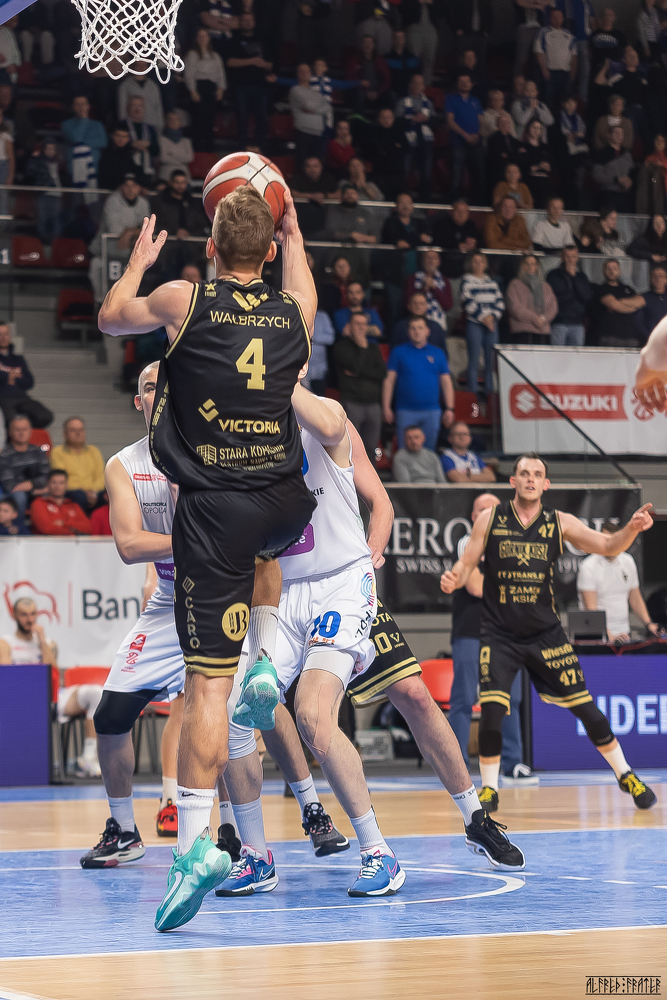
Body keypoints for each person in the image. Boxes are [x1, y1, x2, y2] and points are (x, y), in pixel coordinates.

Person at [98, 185, 319, 931]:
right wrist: (295, 239)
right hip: (284, 499)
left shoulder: (184, 299)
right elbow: (304, 290)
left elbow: (110, 316)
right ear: (271, 248)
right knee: (266, 552)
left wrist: (136, 263)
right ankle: (268, 659)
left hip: (214, 507)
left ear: (211, 247)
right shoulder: (293, 312)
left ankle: (195, 844)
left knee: (204, 690)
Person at [220, 399, 524, 897]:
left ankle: (465, 820)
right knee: (241, 710)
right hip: (284, 593)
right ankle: (257, 855)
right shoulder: (241, 439)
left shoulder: (322, 416)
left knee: (408, 695)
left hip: (344, 582)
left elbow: (380, 501)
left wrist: (372, 550)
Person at [80, 363, 347, 868]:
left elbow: (257, 539)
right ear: (138, 402)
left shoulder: (218, 448)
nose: (157, 393)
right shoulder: (124, 464)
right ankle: (124, 830)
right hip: (169, 598)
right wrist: (198, 538)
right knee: (110, 716)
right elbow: (129, 544)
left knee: (257, 702)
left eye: (165, 384)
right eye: (148, 388)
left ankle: (311, 809)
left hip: (227, 593)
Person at [441, 453, 657, 813]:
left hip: (546, 635)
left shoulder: (559, 522)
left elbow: (608, 546)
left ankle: (625, 774)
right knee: (492, 710)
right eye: (524, 473)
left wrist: (632, 528)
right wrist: (455, 578)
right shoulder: (490, 519)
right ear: (513, 481)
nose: (530, 478)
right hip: (500, 635)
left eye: (537, 474)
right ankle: (490, 788)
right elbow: (467, 563)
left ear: (545, 484)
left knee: (587, 709)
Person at [447, 493, 532, 783]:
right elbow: (475, 586)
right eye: (482, 509)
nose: (488, 514)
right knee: (463, 699)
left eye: (493, 509)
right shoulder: (466, 543)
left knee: (510, 700)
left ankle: (513, 762)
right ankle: (457, 765)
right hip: (471, 632)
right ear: (473, 517)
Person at [0, 597, 102, 777]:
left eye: (33, 614)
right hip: (21, 702)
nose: (30, 619)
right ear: (14, 615)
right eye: (24, 615)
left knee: (96, 693)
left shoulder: (48, 643)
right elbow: (7, 677)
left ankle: (87, 758)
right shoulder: (6, 643)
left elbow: (53, 672)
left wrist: (41, 641)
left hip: (50, 697)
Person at [578, 520, 660, 643]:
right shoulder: (588, 566)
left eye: (613, 539)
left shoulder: (628, 561)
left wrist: (649, 624)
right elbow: (591, 610)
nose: (610, 543)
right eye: (606, 539)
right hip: (598, 638)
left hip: (624, 634)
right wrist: (609, 636)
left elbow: (635, 598)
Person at [383, 316, 454, 450]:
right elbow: (389, 381)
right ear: (408, 332)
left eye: (420, 328)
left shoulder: (438, 353)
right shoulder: (398, 352)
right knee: (405, 451)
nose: (417, 331)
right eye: (413, 328)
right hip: (405, 410)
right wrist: (386, 407)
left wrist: (450, 408)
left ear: (427, 331)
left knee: (428, 452)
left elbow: (446, 382)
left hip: (432, 410)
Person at [89, 174, 151, 303]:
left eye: (134, 186)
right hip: (106, 252)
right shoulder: (112, 201)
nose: (130, 190)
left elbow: (148, 228)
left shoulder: (143, 203)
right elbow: (115, 231)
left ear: (139, 188)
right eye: (127, 186)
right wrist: (136, 230)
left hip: (128, 254)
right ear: (121, 187)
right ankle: (101, 303)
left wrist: (129, 232)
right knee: (96, 266)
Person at [333, 312, 386, 460]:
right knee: (351, 447)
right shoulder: (341, 347)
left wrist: (359, 373)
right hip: (351, 402)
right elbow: (355, 366)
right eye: (357, 324)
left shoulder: (374, 348)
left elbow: (381, 374)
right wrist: (362, 346)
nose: (361, 327)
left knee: (371, 449)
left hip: (373, 404)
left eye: (364, 324)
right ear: (349, 326)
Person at [226, 12, 273, 151]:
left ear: (254, 21)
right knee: (242, 116)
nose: (247, 23)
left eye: (250, 20)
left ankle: (259, 147)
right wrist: (251, 61)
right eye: (245, 20)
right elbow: (229, 62)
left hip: (260, 85)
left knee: (262, 117)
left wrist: (264, 64)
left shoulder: (263, 39)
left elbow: (271, 64)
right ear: (240, 22)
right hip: (241, 85)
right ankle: (242, 147)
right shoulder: (234, 39)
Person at [461, 251, 504, 398]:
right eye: (475, 261)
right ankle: (472, 395)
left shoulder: (492, 283)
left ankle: (489, 394)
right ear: (470, 264)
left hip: (492, 324)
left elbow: (500, 303)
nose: (478, 264)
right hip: (475, 324)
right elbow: (468, 303)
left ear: (486, 264)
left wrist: (493, 317)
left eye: (481, 261)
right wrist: (484, 318)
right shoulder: (466, 281)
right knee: (473, 360)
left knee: (490, 361)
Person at [0, 322, 52, 429]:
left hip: (22, 398)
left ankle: (24, 433)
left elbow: (29, 382)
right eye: (0, 334)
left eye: (6, 334)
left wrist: (9, 378)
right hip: (3, 398)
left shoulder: (18, 359)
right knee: (11, 422)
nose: (3, 337)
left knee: (45, 416)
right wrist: (10, 376)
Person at [50, 416, 105, 514]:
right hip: (71, 491)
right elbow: (60, 479)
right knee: (79, 496)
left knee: (107, 497)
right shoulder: (57, 452)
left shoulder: (94, 451)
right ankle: (81, 523)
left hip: (94, 491)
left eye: (81, 430)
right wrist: (85, 491)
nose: (78, 433)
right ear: (65, 434)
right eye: (73, 430)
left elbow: (101, 476)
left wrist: (93, 491)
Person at [0, 415, 49, 521]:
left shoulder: (38, 452)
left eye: (24, 429)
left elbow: (46, 476)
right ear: (10, 432)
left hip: (36, 490)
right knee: (20, 496)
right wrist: (33, 490)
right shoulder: (5, 455)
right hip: (15, 494)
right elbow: (9, 485)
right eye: (17, 430)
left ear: (30, 431)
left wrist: (31, 484)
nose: (21, 433)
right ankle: (19, 528)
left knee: (57, 490)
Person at [185, 28, 226, 153]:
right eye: (200, 36)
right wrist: (192, 90)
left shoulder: (215, 55)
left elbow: (220, 73)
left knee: (210, 119)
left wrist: (221, 88)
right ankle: (197, 148)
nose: (203, 39)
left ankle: (210, 148)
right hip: (199, 87)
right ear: (196, 39)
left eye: (205, 36)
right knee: (198, 120)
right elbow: (189, 74)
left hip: (211, 88)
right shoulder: (192, 54)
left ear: (209, 38)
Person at [445, 72, 484, 202]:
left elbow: (481, 120)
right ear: (457, 84)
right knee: (457, 176)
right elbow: (450, 121)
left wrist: (478, 135)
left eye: (467, 81)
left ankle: (476, 203)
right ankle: (455, 202)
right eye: (461, 82)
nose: (465, 84)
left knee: (478, 174)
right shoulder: (451, 98)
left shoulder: (475, 100)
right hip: (458, 143)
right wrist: (465, 135)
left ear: (471, 84)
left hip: (475, 142)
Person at [395, 73, 434, 200]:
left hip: (425, 140)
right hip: (407, 140)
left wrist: (425, 119)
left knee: (426, 171)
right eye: (415, 83)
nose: (418, 86)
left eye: (420, 83)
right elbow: (397, 122)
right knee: (405, 170)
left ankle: (425, 200)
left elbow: (435, 122)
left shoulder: (428, 103)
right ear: (410, 85)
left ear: (424, 86)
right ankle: (403, 197)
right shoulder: (402, 102)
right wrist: (412, 120)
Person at [546, 244, 594, 346]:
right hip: (559, 322)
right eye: (567, 256)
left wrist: (574, 277)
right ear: (562, 257)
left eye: (573, 256)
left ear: (577, 258)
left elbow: (587, 296)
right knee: (558, 354)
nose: (571, 260)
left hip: (577, 323)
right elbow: (553, 297)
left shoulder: (581, 276)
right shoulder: (553, 275)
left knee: (576, 355)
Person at [593, 258, 645, 348]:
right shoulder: (600, 289)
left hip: (631, 338)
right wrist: (632, 307)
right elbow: (614, 305)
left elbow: (641, 301)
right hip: (609, 338)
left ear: (619, 270)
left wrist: (621, 301)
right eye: (608, 268)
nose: (611, 271)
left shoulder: (627, 288)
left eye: (614, 268)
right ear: (603, 271)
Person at [507, 253, 558, 342]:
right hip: (522, 330)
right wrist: (534, 318)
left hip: (543, 330)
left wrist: (543, 319)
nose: (530, 267)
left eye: (533, 264)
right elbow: (515, 307)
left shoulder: (545, 286)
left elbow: (553, 306)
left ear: (537, 266)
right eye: (527, 264)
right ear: (522, 266)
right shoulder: (515, 284)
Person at [534, 7, 577, 110]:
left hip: (565, 73)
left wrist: (573, 72)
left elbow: (574, 56)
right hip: (550, 73)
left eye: (559, 16)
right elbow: (539, 52)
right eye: (554, 16)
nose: (557, 19)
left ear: (563, 18)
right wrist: (544, 69)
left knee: (565, 103)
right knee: (548, 102)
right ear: (550, 18)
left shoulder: (569, 34)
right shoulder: (543, 32)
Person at [61, 95, 108, 186]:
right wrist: (84, 120)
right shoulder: (66, 124)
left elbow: (103, 142)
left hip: (94, 167)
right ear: (73, 107)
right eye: (78, 104)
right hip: (74, 169)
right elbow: (76, 139)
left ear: (88, 106)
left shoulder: (97, 124)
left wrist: (83, 143)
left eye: (83, 104)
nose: (81, 107)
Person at [29, 469, 92, 535]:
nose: (57, 486)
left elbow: (88, 528)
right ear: (48, 484)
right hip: (49, 541)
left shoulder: (73, 505)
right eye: (54, 482)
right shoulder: (38, 504)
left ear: (67, 485)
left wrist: (64, 523)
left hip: (71, 541)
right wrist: (73, 530)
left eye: (61, 483)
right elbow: (46, 529)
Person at [404, 250, 452, 335]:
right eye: (428, 258)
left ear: (439, 262)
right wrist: (424, 288)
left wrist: (434, 288)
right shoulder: (412, 279)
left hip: (438, 323)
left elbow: (448, 305)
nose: (431, 260)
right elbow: (407, 303)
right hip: (416, 324)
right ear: (423, 261)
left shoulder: (445, 280)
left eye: (433, 258)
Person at [289, 62, 329, 165]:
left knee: (317, 164)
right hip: (303, 132)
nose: (304, 74)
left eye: (307, 71)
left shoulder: (317, 93)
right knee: (302, 164)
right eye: (301, 71)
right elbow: (308, 105)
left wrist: (314, 110)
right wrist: (317, 108)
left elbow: (327, 108)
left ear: (310, 74)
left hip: (318, 133)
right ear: (297, 74)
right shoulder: (295, 90)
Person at [289, 155, 337, 238]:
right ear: (304, 168)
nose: (312, 169)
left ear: (321, 167)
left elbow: (339, 194)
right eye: (309, 166)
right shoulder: (298, 178)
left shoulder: (328, 178)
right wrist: (310, 196)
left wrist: (324, 196)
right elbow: (290, 193)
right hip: (302, 219)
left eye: (315, 166)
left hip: (324, 219)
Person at [433, 198, 480, 279]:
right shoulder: (442, 224)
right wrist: (457, 245)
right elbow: (439, 241)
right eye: (458, 211)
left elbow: (480, 243)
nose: (461, 214)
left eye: (464, 212)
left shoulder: (471, 226)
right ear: (452, 211)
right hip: (445, 267)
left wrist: (474, 244)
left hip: (467, 270)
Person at [592, 125, 634, 212]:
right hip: (607, 195)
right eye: (616, 133)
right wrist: (617, 180)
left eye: (621, 133)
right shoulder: (601, 154)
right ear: (609, 135)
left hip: (625, 195)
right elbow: (597, 176)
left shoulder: (627, 154)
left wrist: (629, 181)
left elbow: (632, 173)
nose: (619, 135)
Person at [369, 107, 407, 201]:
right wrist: (394, 147)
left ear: (393, 118)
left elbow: (406, 149)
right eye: (384, 117)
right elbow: (377, 150)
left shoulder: (399, 133)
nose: (387, 120)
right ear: (379, 119)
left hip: (398, 174)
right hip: (380, 175)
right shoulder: (373, 133)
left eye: (389, 117)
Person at [517, 117, 553, 208]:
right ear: (528, 128)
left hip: (544, 183)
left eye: (539, 128)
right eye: (534, 127)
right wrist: (538, 167)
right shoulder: (522, 146)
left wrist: (548, 167)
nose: (536, 130)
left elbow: (552, 165)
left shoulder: (545, 148)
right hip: (529, 182)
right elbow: (522, 167)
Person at [98, 123, 145, 191]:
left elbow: (136, 174)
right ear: (112, 136)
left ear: (128, 138)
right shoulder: (106, 154)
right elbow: (105, 178)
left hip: (129, 191)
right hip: (111, 192)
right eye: (118, 136)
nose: (121, 139)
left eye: (125, 136)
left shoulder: (130, 153)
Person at [122, 95, 159, 182]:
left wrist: (148, 145)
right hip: (126, 170)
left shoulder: (150, 128)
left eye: (140, 105)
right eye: (134, 105)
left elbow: (156, 151)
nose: (137, 108)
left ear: (144, 108)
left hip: (146, 171)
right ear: (128, 108)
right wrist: (132, 145)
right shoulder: (122, 125)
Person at [486, 112, 522, 192]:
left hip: (513, 170)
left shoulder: (514, 141)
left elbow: (516, 156)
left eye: (507, 122)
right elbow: (495, 157)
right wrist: (510, 155)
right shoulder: (492, 139)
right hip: (498, 171)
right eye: (502, 122)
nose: (505, 124)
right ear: (497, 124)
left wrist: (507, 155)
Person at [158, 111, 194, 183]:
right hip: (166, 174)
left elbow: (190, 158)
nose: (173, 122)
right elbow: (163, 157)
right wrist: (181, 156)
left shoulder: (186, 141)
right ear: (166, 122)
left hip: (184, 174)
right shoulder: (161, 140)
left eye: (176, 119)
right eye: (171, 119)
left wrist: (172, 154)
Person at [384, 28, 420, 99]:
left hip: (410, 92)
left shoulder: (412, 59)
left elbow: (417, 76)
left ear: (404, 39)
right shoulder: (387, 59)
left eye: (401, 38)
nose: (399, 40)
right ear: (393, 40)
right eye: (396, 38)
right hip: (394, 92)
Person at [638, 264, 667, 341]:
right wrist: (651, 337)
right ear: (651, 279)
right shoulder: (644, 298)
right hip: (650, 341)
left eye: (661, 276)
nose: (658, 279)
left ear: (665, 280)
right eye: (655, 276)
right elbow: (639, 322)